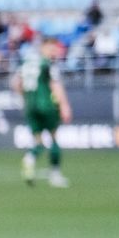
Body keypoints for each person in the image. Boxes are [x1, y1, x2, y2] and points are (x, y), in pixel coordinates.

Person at [12, 38, 71, 188]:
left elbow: (16, 83)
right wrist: (64, 105)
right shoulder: (47, 64)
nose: (54, 52)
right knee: (54, 138)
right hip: (47, 106)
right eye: (52, 48)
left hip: (30, 106)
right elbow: (55, 85)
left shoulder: (26, 63)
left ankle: (30, 158)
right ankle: (55, 174)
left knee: (38, 141)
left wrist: (24, 99)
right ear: (44, 47)